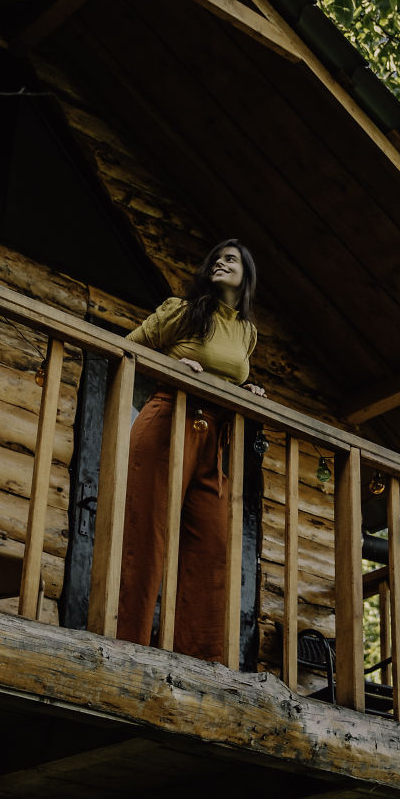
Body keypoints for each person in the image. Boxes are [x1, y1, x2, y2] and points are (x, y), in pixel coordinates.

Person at [116, 239, 264, 661]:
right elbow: (128, 349)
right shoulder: (181, 311)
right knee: (148, 536)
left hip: (214, 438)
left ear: (246, 275)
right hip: (168, 421)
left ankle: (198, 660)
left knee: (213, 545)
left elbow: (228, 374)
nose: (221, 262)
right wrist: (170, 366)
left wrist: (245, 390)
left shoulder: (247, 333)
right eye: (216, 259)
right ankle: (129, 646)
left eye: (231, 259)